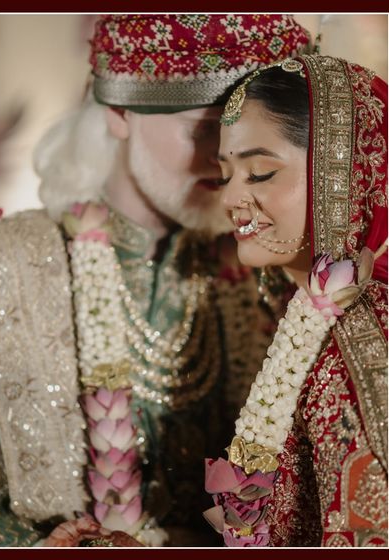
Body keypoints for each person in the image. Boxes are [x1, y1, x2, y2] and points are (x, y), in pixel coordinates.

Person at [0, 15, 312, 547]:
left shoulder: (269, 277)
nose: (226, 162)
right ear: (118, 112)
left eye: (250, 139)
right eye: (204, 128)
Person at [204, 54, 387, 547]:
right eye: (225, 175)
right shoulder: (322, 319)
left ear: (343, 177)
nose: (229, 199)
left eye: (260, 173)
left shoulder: (356, 350)